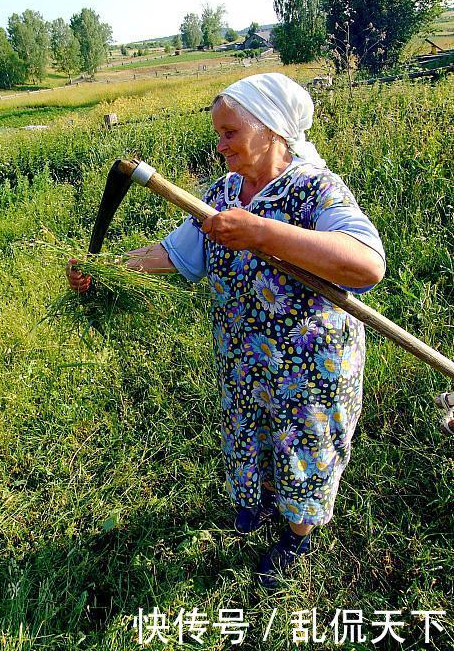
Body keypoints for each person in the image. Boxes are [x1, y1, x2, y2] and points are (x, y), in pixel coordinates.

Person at [66, 72, 386, 590]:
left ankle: (296, 537)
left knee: (302, 446)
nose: (220, 146)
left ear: (272, 130)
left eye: (230, 133)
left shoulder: (315, 189)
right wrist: (105, 269)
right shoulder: (223, 193)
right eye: (218, 134)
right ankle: (258, 506)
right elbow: (174, 252)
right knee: (252, 433)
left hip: (310, 365)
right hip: (243, 354)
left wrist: (261, 232)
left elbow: (367, 265)